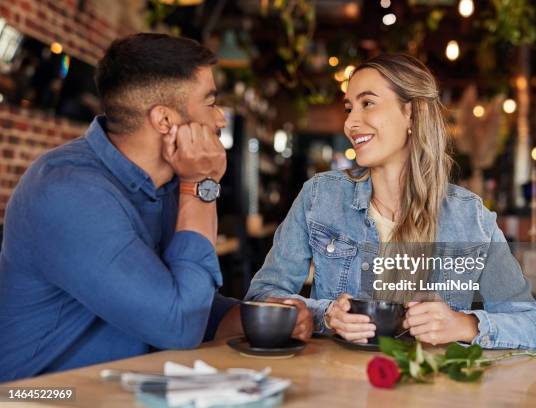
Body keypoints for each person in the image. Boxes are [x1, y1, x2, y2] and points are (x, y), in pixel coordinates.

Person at [0, 33, 311, 382]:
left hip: (125, 393)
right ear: (165, 121)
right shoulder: (66, 191)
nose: (220, 120)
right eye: (210, 103)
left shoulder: (166, 185)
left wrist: (259, 318)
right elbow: (178, 325)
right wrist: (201, 184)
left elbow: (183, 302)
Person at [246, 53, 536, 350]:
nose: (350, 123)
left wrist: (462, 324)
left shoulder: (469, 217)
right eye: (349, 108)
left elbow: (533, 325)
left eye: (368, 104)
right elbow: (263, 295)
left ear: (412, 113)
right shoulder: (319, 197)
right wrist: (324, 315)